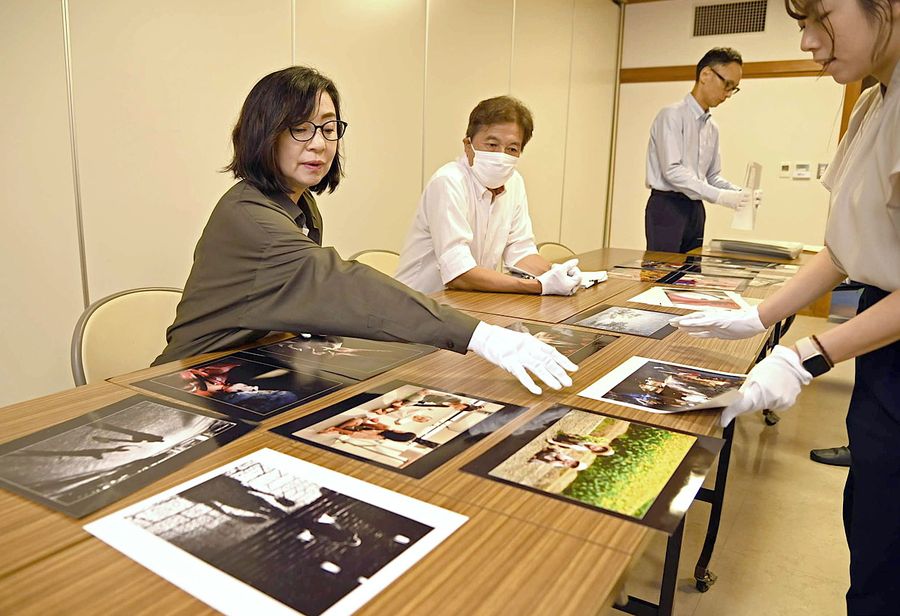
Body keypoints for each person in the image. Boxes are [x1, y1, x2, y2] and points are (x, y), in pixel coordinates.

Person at [670, 2, 900, 611]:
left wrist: (808, 357)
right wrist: (757, 317)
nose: (806, 41)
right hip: (884, 335)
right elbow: (845, 249)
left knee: (889, 551)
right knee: (873, 519)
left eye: (821, 16)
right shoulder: (876, 100)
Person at [153, 67, 577, 396]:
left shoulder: (302, 205)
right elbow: (339, 281)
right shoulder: (248, 217)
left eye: (328, 127)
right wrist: (479, 336)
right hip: (188, 382)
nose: (318, 143)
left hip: (252, 366)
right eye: (299, 127)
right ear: (264, 132)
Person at [395, 95, 582, 295]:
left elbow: (521, 252)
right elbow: (459, 274)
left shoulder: (514, 182)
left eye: (512, 149)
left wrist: (558, 274)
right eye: (492, 145)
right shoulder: (449, 181)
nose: (501, 156)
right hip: (419, 303)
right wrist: (539, 286)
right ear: (468, 146)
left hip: (469, 302)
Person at [645, 47, 762, 253]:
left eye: (734, 88)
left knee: (690, 275)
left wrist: (741, 194)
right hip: (667, 206)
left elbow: (712, 176)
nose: (728, 94)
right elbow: (672, 171)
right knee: (662, 274)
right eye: (727, 85)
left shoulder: (712, 127)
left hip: (696, 208)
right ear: (705, 75)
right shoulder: (671, 115)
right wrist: (721, 197)